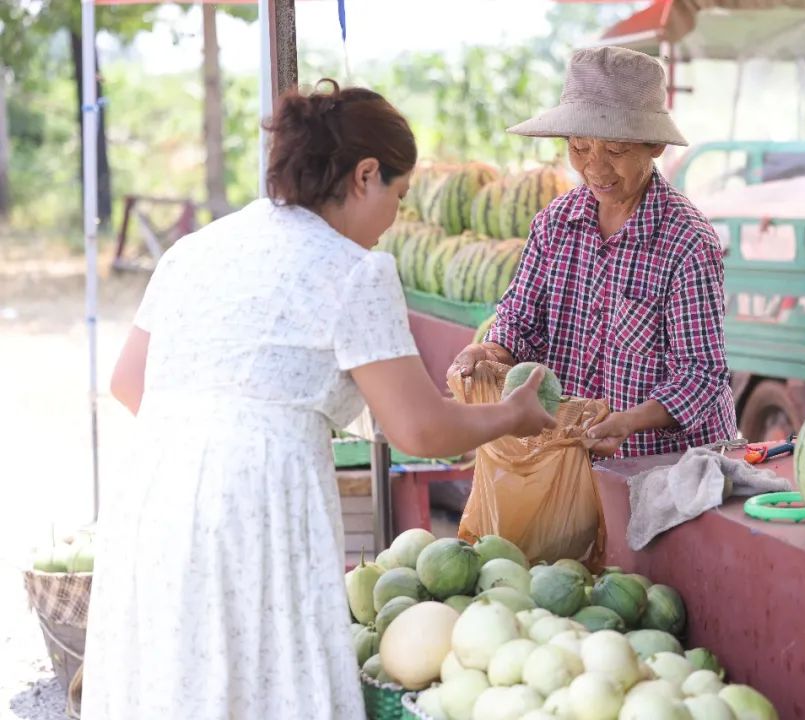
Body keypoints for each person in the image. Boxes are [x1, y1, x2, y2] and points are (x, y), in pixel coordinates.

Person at [81, 79, 555, 720]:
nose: (395, 218)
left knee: (176, 683)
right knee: (264, 685)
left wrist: (240, 421)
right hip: (256, 506)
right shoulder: (354, 271)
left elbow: (128, 383)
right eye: (399, 193)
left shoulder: (196, 250)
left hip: (151, 496)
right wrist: (511, 413)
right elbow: (417, 430)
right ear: (366, 175)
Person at [449, 46, 738, 458]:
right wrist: (487, 351)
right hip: (578, 456)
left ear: (654, 146)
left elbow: (700, 377)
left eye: (616, 151)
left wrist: (627, 420)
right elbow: (520, 325)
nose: (597, 169)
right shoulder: (555, 224)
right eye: (580, 149)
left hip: (670, 464)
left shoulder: (687, 242)